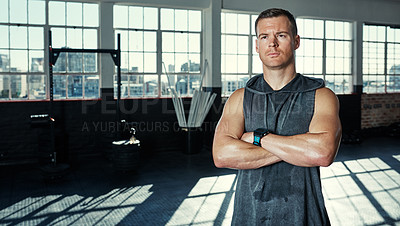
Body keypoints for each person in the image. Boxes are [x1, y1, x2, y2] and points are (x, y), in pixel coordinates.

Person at [212, 8, 342, 225]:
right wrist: (299, 148)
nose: (272, 43)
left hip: (305, 216)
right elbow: (222, 155)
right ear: (257, 45)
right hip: (249, 216)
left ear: (296, 41)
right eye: (264, 37)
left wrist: (258, 138)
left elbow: (322, 152)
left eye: (281, 35)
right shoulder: (239, 98)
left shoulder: (321, 96)